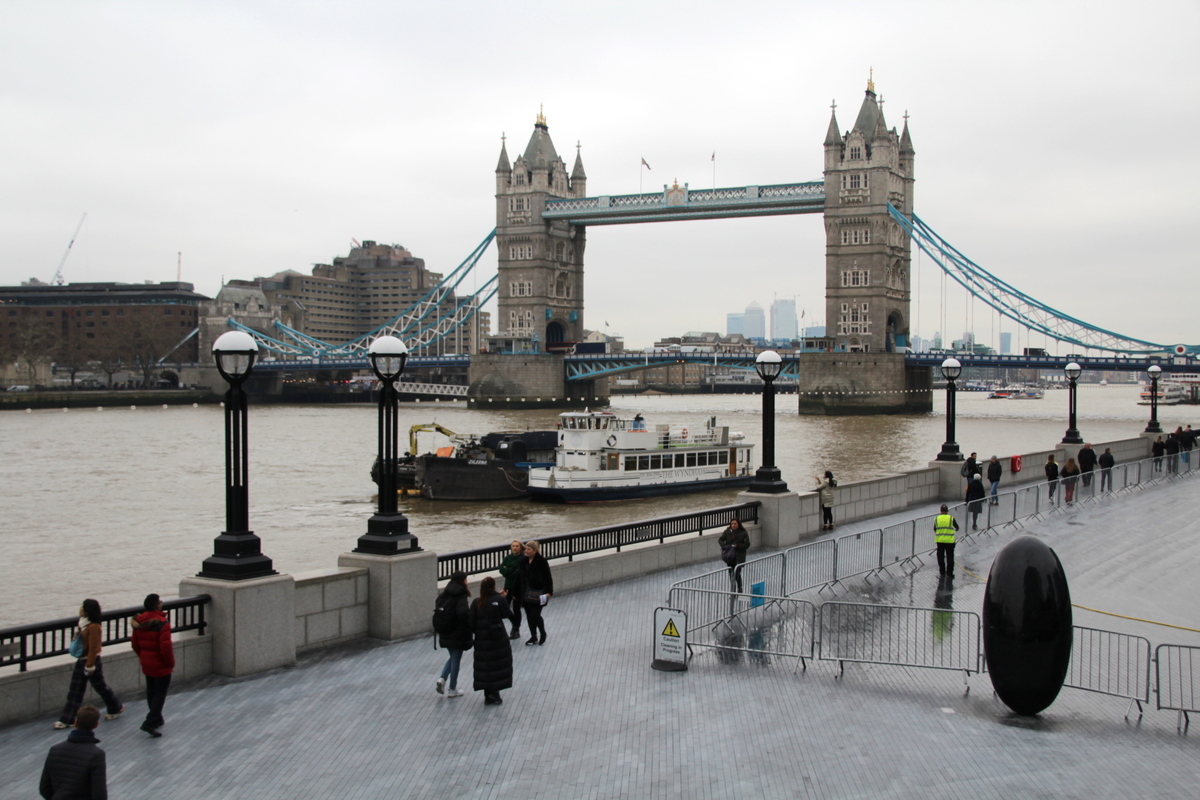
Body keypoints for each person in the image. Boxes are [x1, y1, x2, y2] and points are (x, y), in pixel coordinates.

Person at [56, 599, 123, 730]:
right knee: (75, 691)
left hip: (90, 662)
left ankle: (115, 707)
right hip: (82, 660)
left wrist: (90, 665)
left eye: (83, 608)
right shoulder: (83, 624)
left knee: (100, 687)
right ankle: (68, 719)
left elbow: (94, 648)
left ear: (88, 611)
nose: (80, 609)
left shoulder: (93, 627)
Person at [129, 593, 175, 737]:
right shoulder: (163, 623)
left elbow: (134, 644)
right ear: (158, 606)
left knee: (151, 691)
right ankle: (149, 722)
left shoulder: (138, 622)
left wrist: (143, 656)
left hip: (146, 663)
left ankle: (157, 719)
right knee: (160, 693)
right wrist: (170, 663)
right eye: (160, 602)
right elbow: (166, 648)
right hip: (161, 665)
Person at [40, 704, 106, 800]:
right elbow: (99, 794)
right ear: (96, 725)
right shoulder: (96, 754)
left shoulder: (55, 750)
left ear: (75, 722)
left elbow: (44, 788)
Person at [469, 576, 513, 706]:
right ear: (494, 587)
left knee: (485, 666)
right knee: (497, 665)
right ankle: (495, 694)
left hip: (482, 641)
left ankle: (488, 694)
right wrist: (503, 598)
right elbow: (506, 614)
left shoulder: (476, 602)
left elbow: (471, 623)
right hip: (497, 639)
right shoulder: (499, 600)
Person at [434, 571, 472, 698]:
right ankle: (452, 688)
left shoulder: (444, 593)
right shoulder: (461, 594)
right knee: (456, 658)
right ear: (463, 580)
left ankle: (442, 679)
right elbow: (463, 613)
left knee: (452, 657)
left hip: (445, 630)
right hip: (458, 631)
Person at [518, 540, 553, 646]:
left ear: (535, 550)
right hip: (526, 593)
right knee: (529, 615)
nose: (526, 551)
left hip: (540, 593)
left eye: (528, 549)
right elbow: (519, 577)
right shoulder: (523, 561)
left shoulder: (541, 561)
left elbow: (548, 577)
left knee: (535, 614)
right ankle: (533, 636)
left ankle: (542, 632)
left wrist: (548, 592)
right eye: (525, 549)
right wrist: (515, 592)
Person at [497, 540, 524, 640]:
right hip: (507, 586)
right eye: (513, 546)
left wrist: (508, 570)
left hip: (518, 588)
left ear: (520, 547)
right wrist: (511, 570)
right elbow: (501, 569)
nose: (515, 548)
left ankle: (516, 629)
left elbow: (519, 573)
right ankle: (514, 623)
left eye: (517, 546)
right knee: (505, 607)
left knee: (517, 608)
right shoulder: (507, 557)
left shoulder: (523, 559)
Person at [717, 517, 750, 593]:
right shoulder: (727, 532)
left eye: (735, 523)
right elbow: (720, 539)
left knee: (737, 573)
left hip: (739, 557)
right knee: (731, 573)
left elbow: (747, 544)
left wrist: (738, 545)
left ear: (738, 524)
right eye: (732, 523)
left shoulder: (743, 533)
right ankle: (733, 589)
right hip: (730, 556)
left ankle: (739, 587)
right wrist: (724, 546)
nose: (733, 525)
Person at [933, 504, 959, 577]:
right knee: (950, 557)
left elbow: (935, 529)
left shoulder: (936, 519)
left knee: (940, 557)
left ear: (940, 511)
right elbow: (957, 527)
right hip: (950, 541)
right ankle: (949, 573)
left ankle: (942, 572)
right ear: (947, 511)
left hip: (940, 541)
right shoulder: (951, 518)